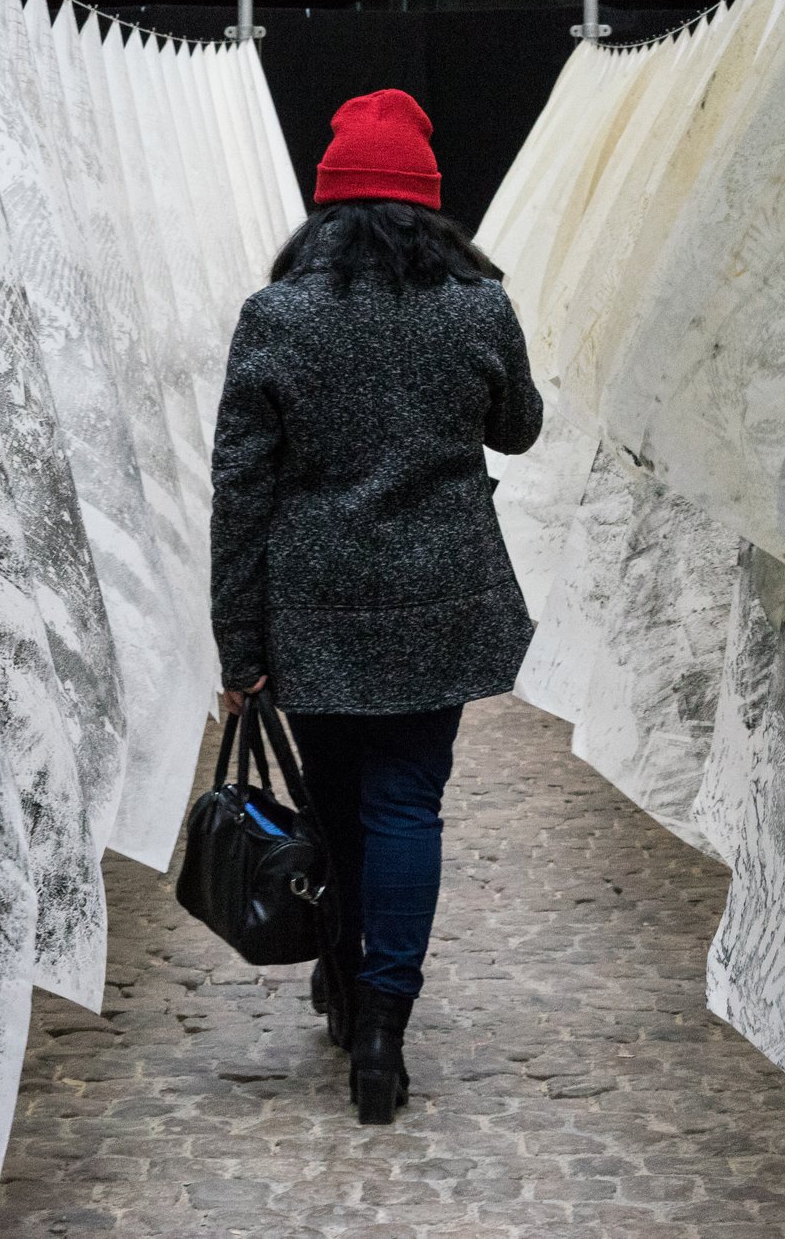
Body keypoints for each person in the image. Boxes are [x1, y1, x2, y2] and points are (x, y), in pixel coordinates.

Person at [208, 87, 543, 1125]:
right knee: (405, 801)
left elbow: (240, 488)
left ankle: (345, 986)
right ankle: (385, 1029)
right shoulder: (477, 307)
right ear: (428, 207)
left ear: (325, 207)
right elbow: (519, 429)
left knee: (337, 799)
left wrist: (237, 644)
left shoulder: (276, 316)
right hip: (438, 598)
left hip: (312, 603)